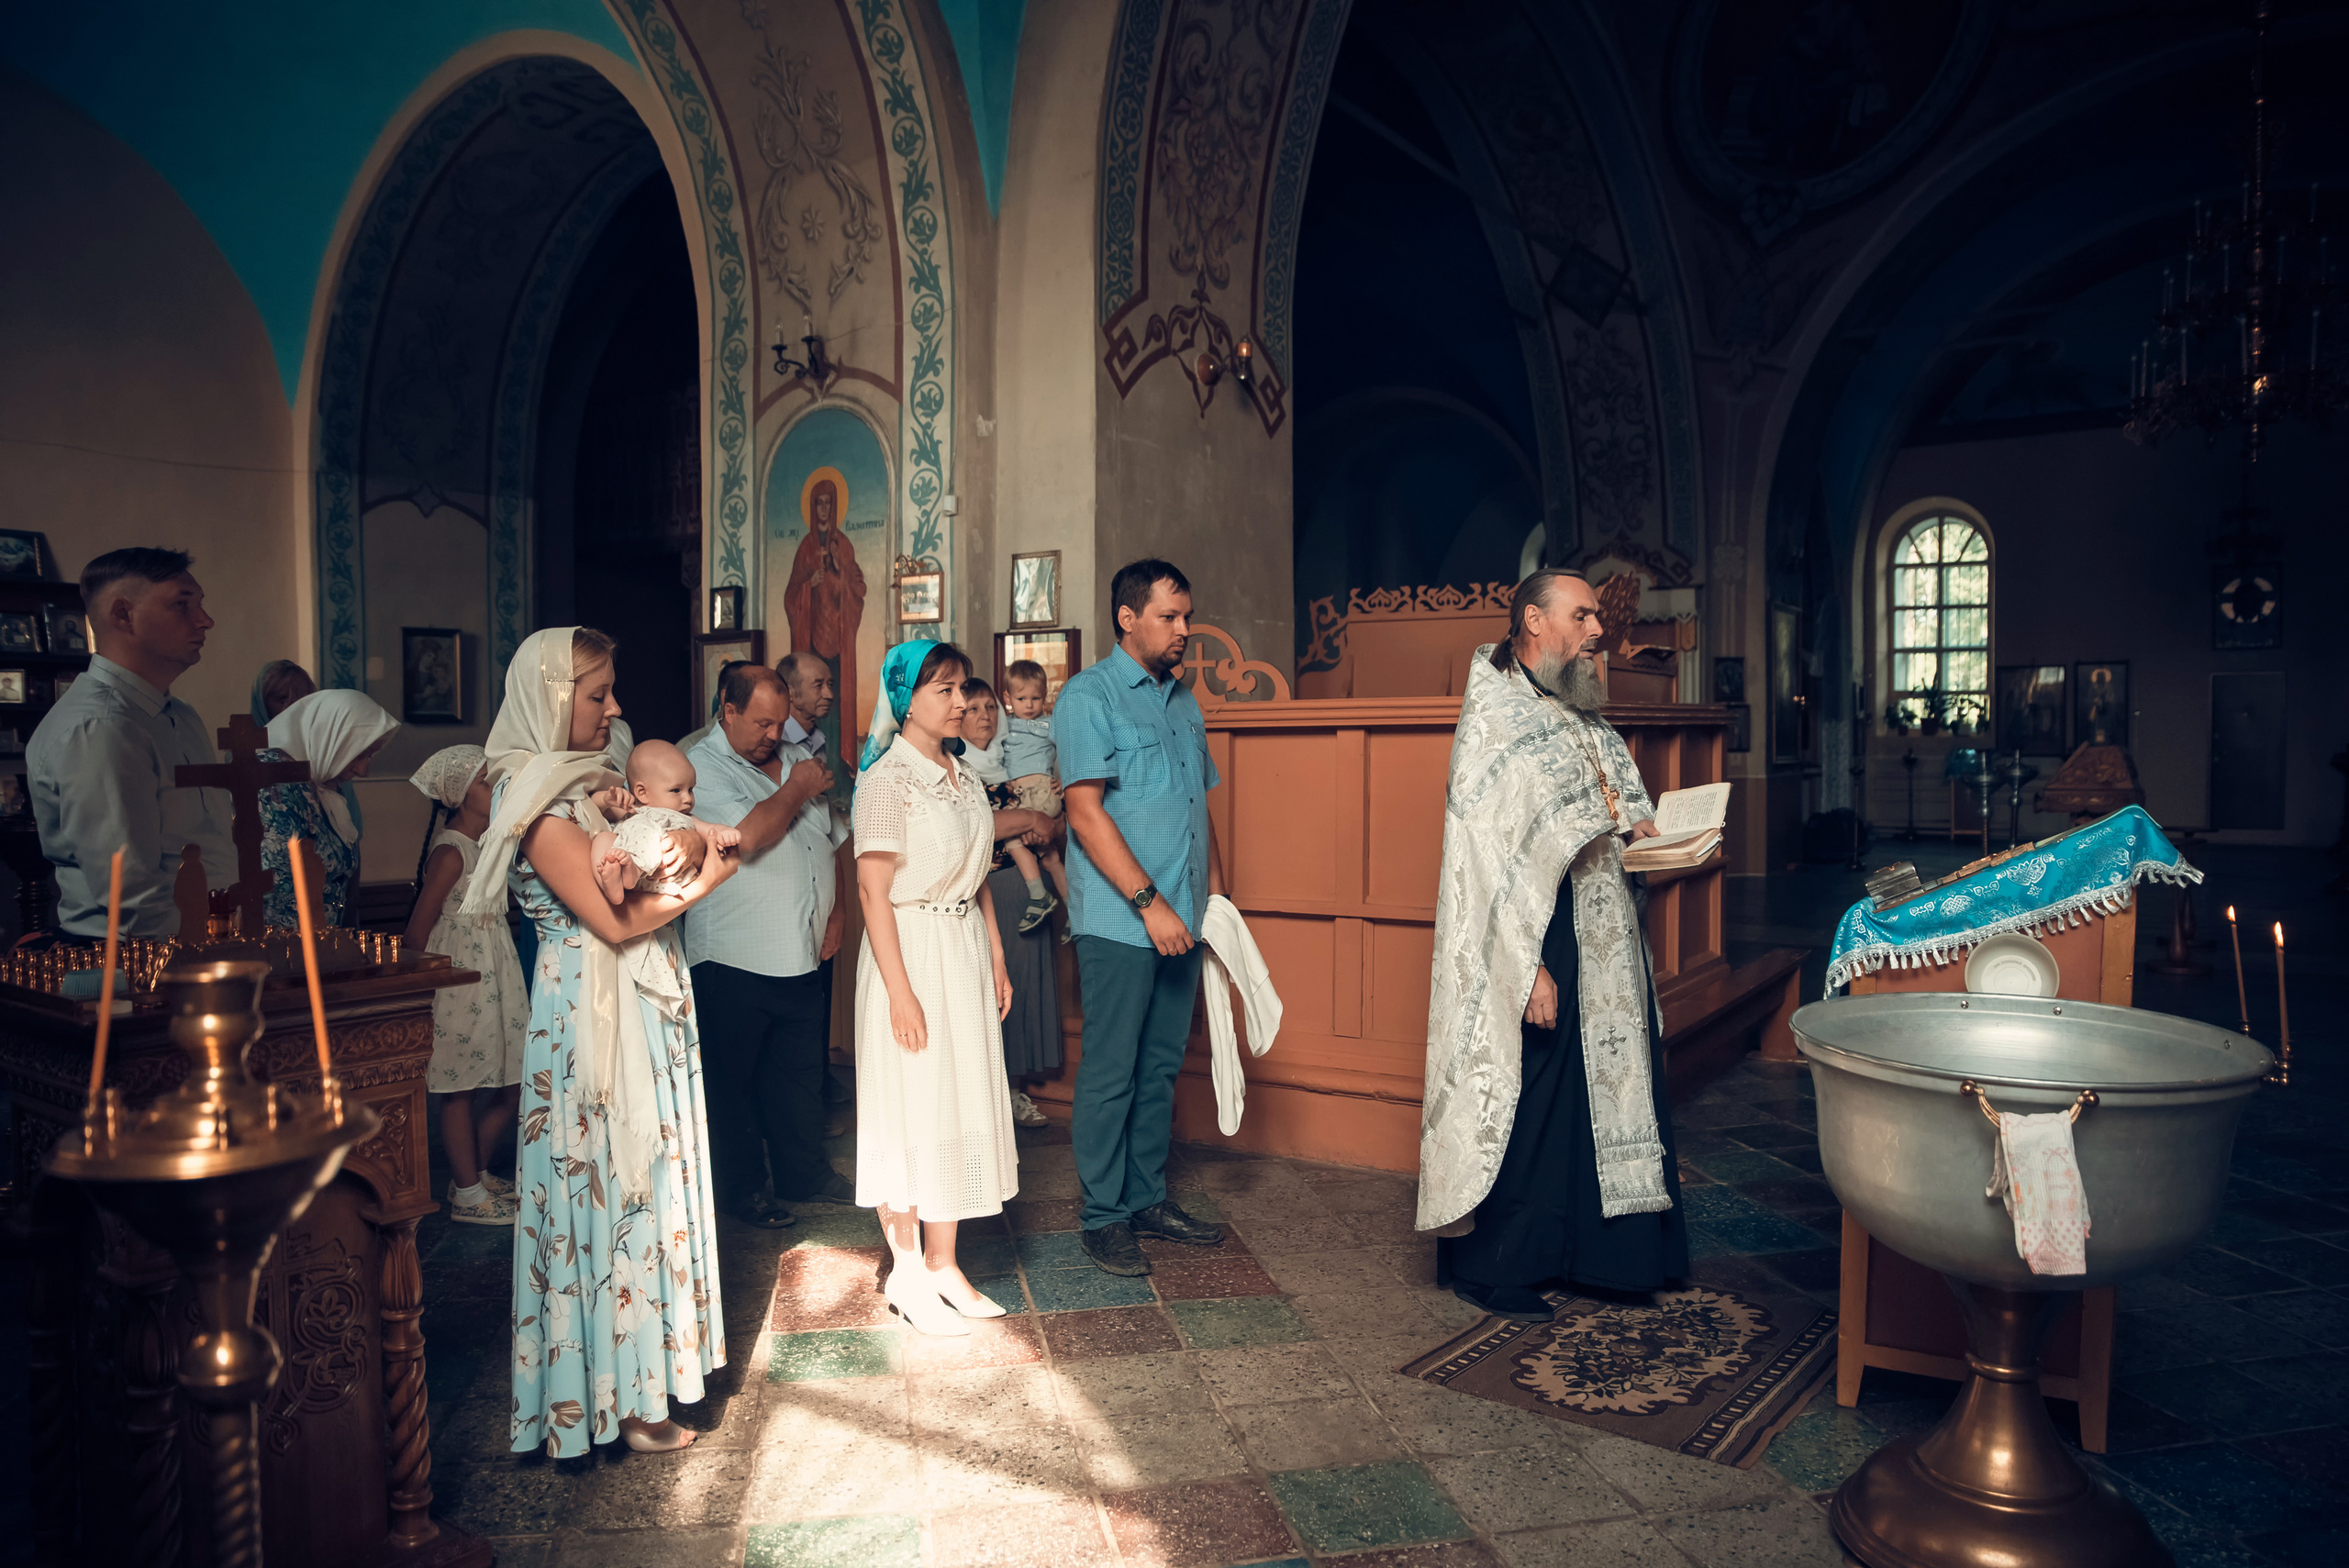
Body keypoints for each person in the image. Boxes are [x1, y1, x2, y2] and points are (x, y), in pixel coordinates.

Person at [472, 626, 736, 1457]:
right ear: (552, 697)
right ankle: (611, 1398)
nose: (614, 707)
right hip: (589, 1012)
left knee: (647, 1183)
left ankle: (647, 1380)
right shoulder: (534, 795)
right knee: (609, 1187)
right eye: (597, 694)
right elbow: (611, 919)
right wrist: (714, 873)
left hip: (640, 1005)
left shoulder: (585, 786)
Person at [1417, 569, 1686, 1319]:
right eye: (1584, 614)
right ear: (1534, 620)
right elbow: (1484, 860)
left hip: (1603, 926)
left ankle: (1604, 1257)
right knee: (1533, 1094)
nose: (1600, 629)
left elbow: (1624, 816)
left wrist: (1662, 840)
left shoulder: (1583, 713)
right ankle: (1495, 1263)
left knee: (1593, 1096)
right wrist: (1525, 967)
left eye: (1597, 615)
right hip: (1536, 933)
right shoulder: (1497, 717)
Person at [1052, 559, 1228, 1276]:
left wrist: (1214, 899)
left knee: (1161, 1065)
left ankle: (1147, 1196)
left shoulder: (1183, 701)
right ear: (1128, 618)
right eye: (1170, 616)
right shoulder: (1088, 696)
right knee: (1113, 1069)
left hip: (1184, 915)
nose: (1185, 629)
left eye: (1187, 616)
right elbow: (1084, 812)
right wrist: (1150, 904)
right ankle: (1103, 1215)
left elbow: (1198, 807)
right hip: (1124, 922)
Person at [852, 639, 1018, 1335]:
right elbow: (872, 889)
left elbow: (978, 874)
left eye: (960, 689)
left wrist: (998, 958)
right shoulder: (887, 780)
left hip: (963, 949)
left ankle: (947, 1261)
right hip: (911, 950)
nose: (959, 701)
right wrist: (900, 990)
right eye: (944, 690)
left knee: (955, 1100)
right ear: (905, 698)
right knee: (910, 1106)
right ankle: (908, 1269)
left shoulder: (963, 775)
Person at [685, 663, 852, 1228]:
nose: (772, 735)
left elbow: (831, 840)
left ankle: (805, 1174)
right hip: (733, 952)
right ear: (726, 711)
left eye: (779, 723)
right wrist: (798, 786)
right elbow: (749, 838)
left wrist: (838, 909)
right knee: (733, 1081)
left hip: (800, 945)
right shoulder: (701, 766)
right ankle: (742, 1189)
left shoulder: (788, 760)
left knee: (799, 1073)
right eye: (760, 723)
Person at [28, 548, 233, 939]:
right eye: (181, 605)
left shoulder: (179, 715)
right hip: (138, 963)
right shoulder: (101, 728)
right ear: (123, 614)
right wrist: (197, 954)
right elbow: (131, 891)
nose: (205, 621)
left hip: (209, 940)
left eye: (200, 605)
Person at [404, 745, 528, 1227]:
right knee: (460, 1088)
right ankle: (468, 1193)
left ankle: (469, 1174)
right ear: (459, 794)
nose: (495, 790)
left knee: (510, 1080)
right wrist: (423, 990)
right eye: (484, 783)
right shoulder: (452, 850)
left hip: (494, 974)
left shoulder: (487, 842)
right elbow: (418, 931)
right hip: (460, 981)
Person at [962, 676, 1063, 1127]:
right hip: (988, 890)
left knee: (1023, 991)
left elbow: (1042, 819)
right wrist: (1027, 818)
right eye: (973, 708)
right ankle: (989, 1097)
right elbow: (980, 825)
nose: (984, 716)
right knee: (991, 993)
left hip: (1027, 888)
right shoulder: (955, 765)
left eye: (989, 708)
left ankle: (1016, 1092)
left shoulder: (1007, 758)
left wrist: (1042, 813)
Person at [253, 689, 398, 929]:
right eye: (359, 755)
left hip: (323, 942)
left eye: (370, 756)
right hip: (283, 946)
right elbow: (281, 882)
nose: (363, 771)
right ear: (330, 737)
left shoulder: (323, 785)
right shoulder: (274, 783)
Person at [589, 740, 742, 903]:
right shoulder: (632, 811)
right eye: (676, 790)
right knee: (603, 838)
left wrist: (726, 833)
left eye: (691, 789)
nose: (688, 799)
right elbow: (594, 810)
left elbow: (711, 830)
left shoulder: (685, 818)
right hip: (627, 871)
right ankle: (611, 885)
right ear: (642, 792)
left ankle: (633, 870)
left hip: (663, 877)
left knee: (655, 837)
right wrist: (606, 799)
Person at [992, 661, 1070, 934]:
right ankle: (1076, 914)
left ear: (1045, 696)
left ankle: (1038, 896)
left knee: (1013, 839)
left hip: (1040, 791)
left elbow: (1075, 752)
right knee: (1049, 858)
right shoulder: (1003, 727)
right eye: (1021, 698)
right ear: (1007, 698)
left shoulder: (1050, 725)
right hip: (1021, 795)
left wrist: (1067, 782)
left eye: (1036, 698)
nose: (1029, 705)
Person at [252, 657, 363, 839]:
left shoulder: (325, 753)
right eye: (281, 700)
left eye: (300, 701)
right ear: (263, 704)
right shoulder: (245, 756)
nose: (291, 709)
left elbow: (351, 826)